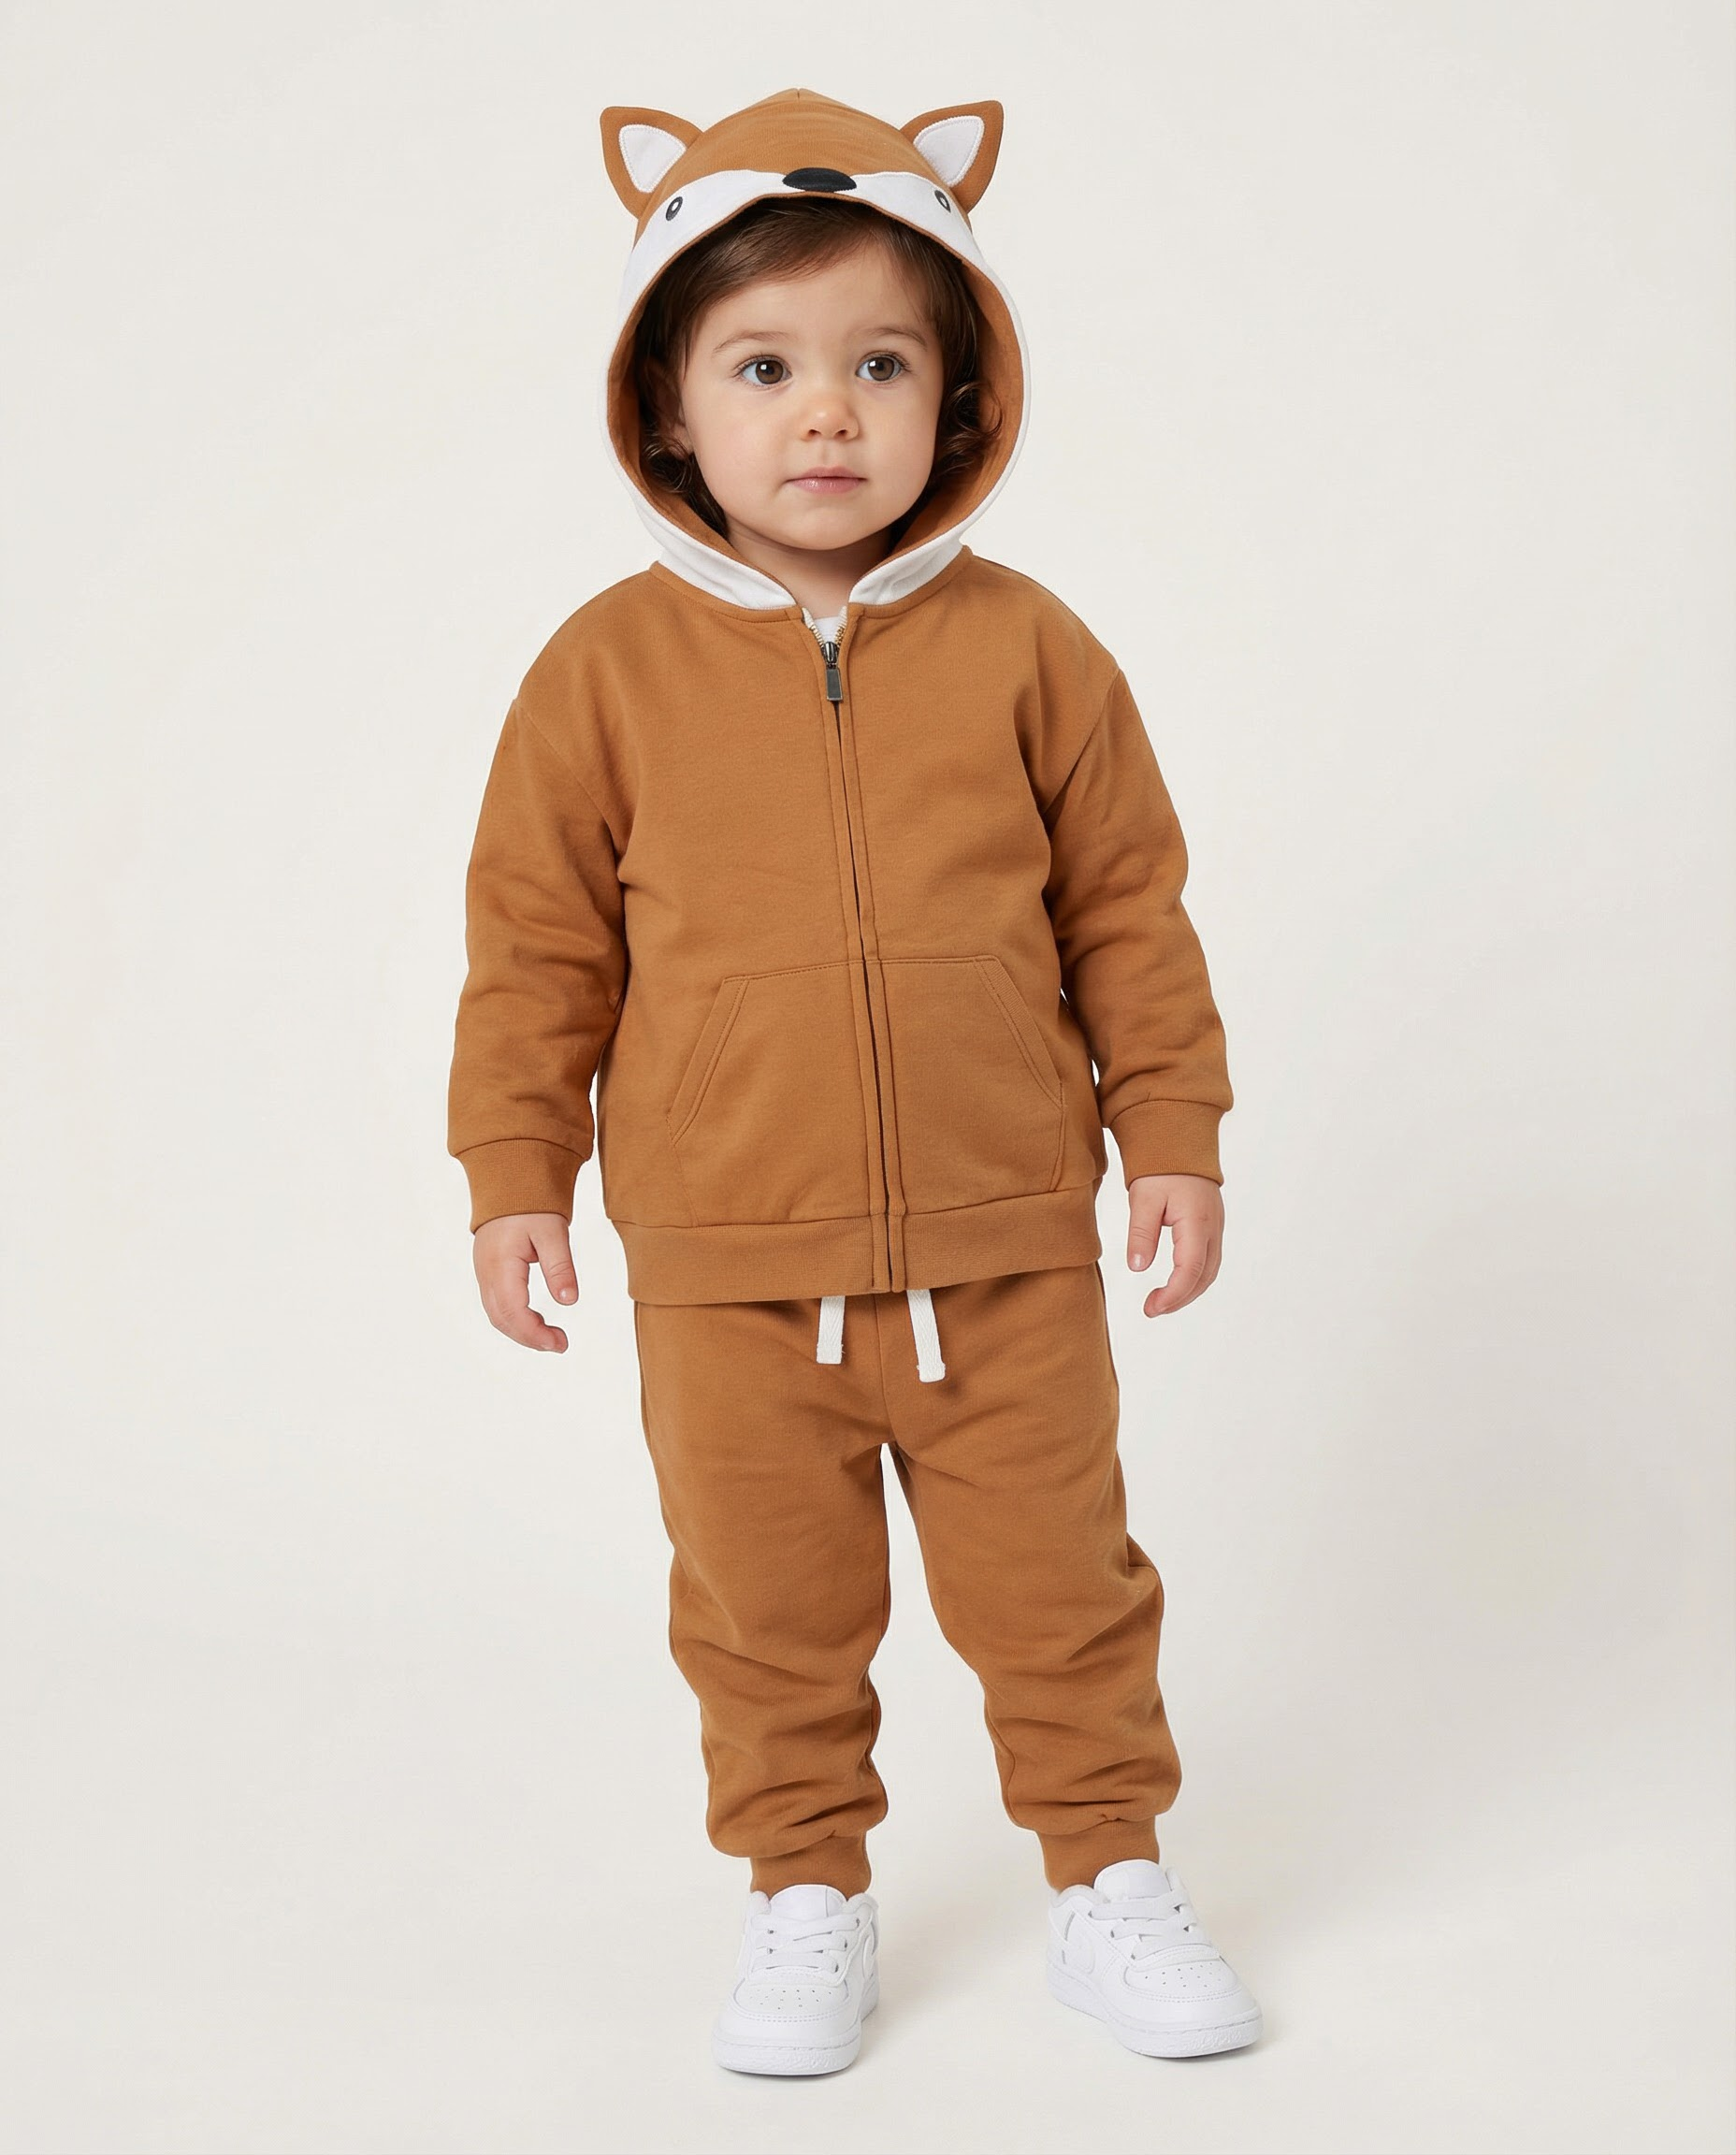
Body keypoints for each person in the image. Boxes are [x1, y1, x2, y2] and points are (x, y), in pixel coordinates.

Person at [446, 85, 1263, 2075]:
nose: (827, 413)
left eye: (880, 364)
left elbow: (1129, 912)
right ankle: (803, 1890)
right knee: (764, 1607)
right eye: (766, 368)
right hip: (729, 1271)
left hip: (1004, 1250)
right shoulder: (601, 674)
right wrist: (514, 1174)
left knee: (1063, 1587)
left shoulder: (1031, 651)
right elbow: (535, 950)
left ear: (956, 399)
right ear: (668, 413)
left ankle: (1108, 1875)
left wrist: (1170, 1132)